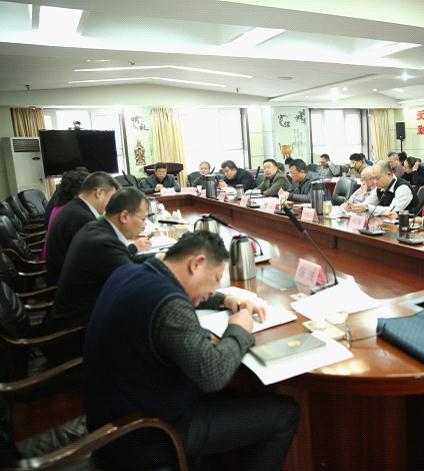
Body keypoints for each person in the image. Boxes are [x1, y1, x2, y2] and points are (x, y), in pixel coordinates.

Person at [83, 231, 299, 470]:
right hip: (149, 435)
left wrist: (225, 300)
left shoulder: (129, 271)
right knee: (284, 414)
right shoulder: (171, 306)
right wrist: (239, 329)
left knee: (245, 398)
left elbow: (176, 292)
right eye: (215, 279)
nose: (213, 289)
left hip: (114, 421)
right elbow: (213, 374)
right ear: (196, 264)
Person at [44, 188, 153, 335]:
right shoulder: (104, 243)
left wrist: (158, 258)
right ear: (124, 216)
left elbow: (124, 259)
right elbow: (136, 286)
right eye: (143, 219)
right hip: (76, 332)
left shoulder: (96, 227)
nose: (144, 226)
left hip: (72, 317)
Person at [45, 171, 119, 284]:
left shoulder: (76, 207)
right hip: (71, 284)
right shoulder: (80, 218)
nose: (112, 204)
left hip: (67, 275)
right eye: (111, 198)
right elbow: (101, 259)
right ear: (99, 193)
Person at [41, 168, 89, 260]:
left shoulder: (60, 206)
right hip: (55, 263)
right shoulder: (73, 214)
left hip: (51, 257)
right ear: (79, 191)